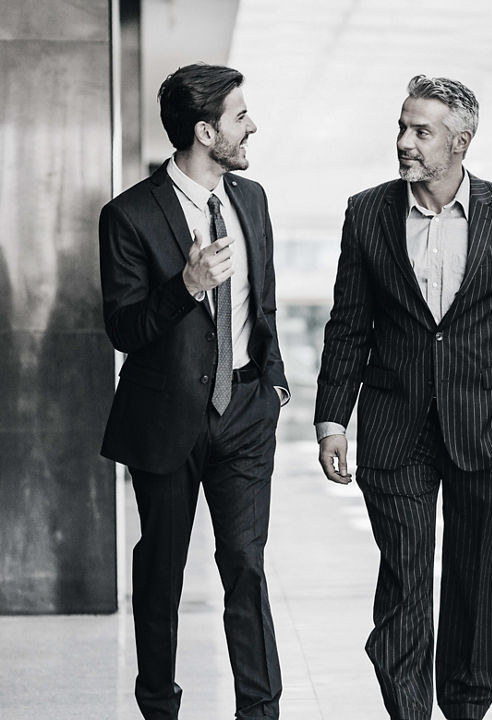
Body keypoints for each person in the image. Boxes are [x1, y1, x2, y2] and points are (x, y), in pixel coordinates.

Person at [314, 76, 492, 720]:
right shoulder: (366, 211)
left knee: (477, 584)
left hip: (490, 424)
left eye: (421, 131)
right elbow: (349, 323)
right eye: (402, 127)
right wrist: (331, 420)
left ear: (461, 141)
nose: (404, 142)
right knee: (404, 584)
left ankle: (467, 708)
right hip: (396, 426)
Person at [99, 63, 288, 719]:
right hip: (164, 419)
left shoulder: (252, 199)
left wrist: (275, 378)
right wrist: (185, 287)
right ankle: (158, 704)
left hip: (244, 410)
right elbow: (123, 329)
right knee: (162, 571)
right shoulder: (127, 215)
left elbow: (263, 300)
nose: (251, 124)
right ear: (206, 132)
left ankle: (260, 710)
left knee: (246, 563)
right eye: (240, 115)